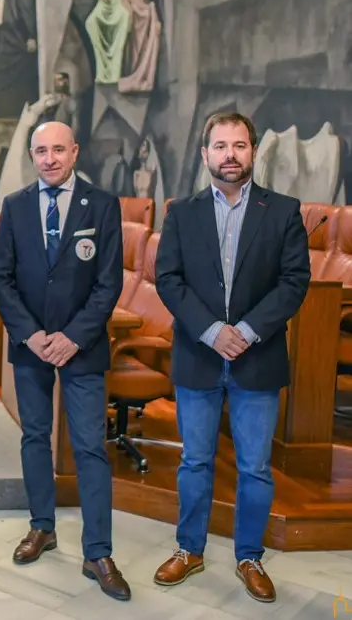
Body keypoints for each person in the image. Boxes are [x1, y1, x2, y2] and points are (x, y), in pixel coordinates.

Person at [153, 112, 310, 603]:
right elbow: (168, 279)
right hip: (198, 355)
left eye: (239, 146)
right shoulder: (182, 212)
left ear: (253, 151)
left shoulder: (282, 211)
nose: (230, 155)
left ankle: (249, 557)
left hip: (256, 357)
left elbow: (294, 282)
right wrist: (211, 331)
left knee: (255, 467)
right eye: (220, 146)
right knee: (195, 461)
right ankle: (189, 550)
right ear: (205, 155)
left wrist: (243, 332)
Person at [0, 121, 130, 602]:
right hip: (30, 345)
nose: (49, 159)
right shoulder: (15, 205)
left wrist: (72, 337)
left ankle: (98, 552)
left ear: (74, 152)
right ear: (32, 155)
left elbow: (109, 283)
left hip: (82, 346)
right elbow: (1, 278)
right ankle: (42, 527)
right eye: (40, 151)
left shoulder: (103, 205)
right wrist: (31, 335)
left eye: (58, 150)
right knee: (34, 436)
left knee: (90, 447)